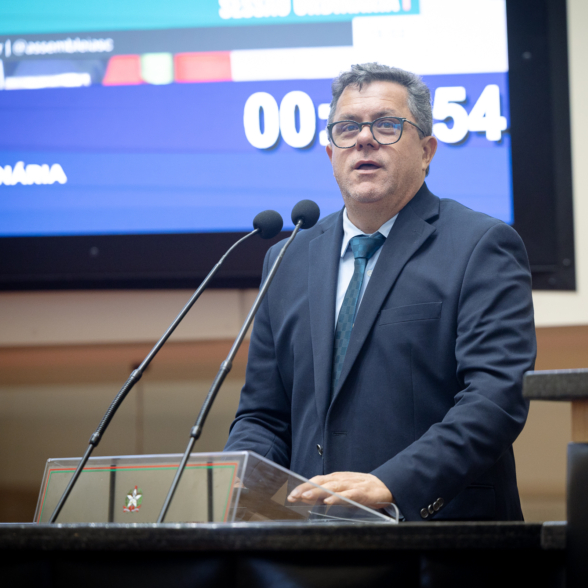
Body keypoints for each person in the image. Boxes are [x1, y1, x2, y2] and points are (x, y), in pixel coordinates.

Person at [225, 63, 536, 521]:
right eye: (347, 128)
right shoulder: (287, 258)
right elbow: (263, 416)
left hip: (438, 538)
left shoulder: (480, 245)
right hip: (308, 541)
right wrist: (241, 479)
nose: (364, 140)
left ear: (427, 150)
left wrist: (392, 483)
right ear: (330, 152)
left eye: (387, 125)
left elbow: (496, 397)